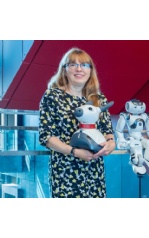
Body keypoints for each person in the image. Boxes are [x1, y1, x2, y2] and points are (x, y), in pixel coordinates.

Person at [38, 47, 116, 198]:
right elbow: (46, 136)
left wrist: (111, 143)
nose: (79, 69)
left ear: (90, 70)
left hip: (93, 168)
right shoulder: (52, 96)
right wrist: (74, 152)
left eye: (84, 65)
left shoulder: (98, 99)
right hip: (64, 169)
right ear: (64, 69)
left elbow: (107, 130)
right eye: (73, 64)